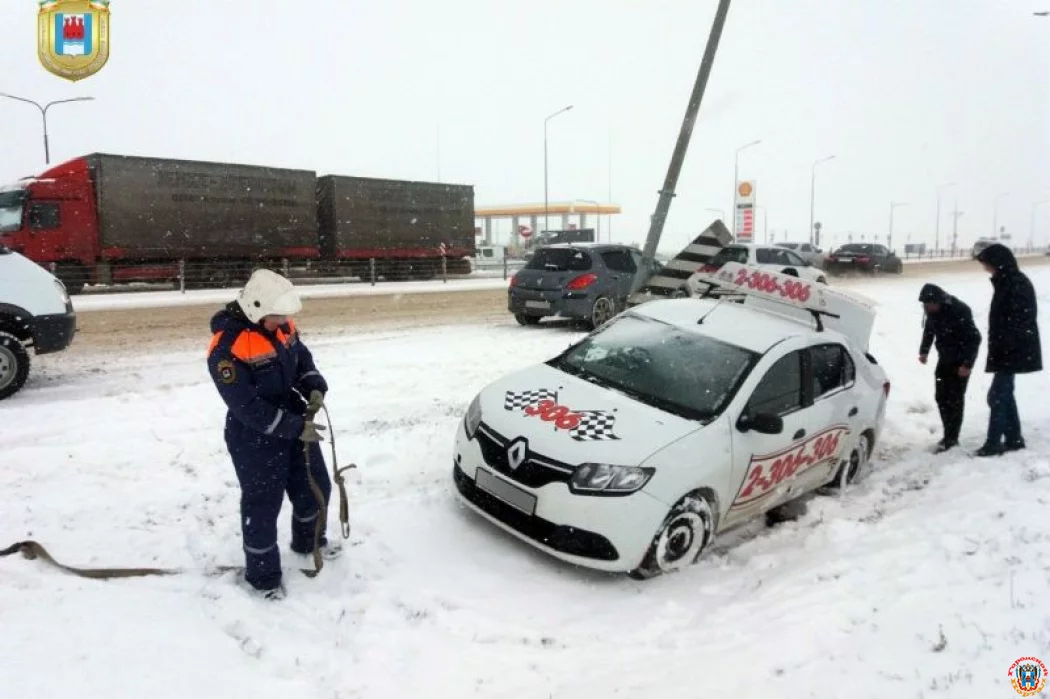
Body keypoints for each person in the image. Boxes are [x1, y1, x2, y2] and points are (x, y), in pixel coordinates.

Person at [206, 269, 340, 599]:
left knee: (315, 486)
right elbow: (246, 406)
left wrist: (313, 384)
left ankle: (308, 541)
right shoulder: (226, 347)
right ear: (256, 308)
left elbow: (301, 357)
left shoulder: (281, 325)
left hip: (293, 418)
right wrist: (296, 427)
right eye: (277, 316)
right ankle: (263, 577)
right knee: (263, 505)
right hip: (254, 435)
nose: (284, 322)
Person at [973, 243, 1042, 457]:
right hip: (1007, 349)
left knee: (997, 396)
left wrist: (1007, 346)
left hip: (1012, 350)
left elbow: (1020, 320)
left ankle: (993, 443)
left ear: (998, 263)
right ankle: (1013, 439)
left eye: (987, 264)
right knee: (1003, 395)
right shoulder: (1007, 281)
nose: (986, 269)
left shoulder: (1016, 283)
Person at [917, 284, 982, 452]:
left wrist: (967, 364)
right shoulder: (932, 312)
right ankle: (948, 433)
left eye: (930, 305)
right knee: (941, 397)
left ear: (939, 301)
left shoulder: (960, 311)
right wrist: (924, 350)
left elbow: (975, 338)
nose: (927, 309)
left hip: (960, 362)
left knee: (955, 400)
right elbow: (929, 330)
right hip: (944, 359)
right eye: (925, 306)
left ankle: (952, 438)